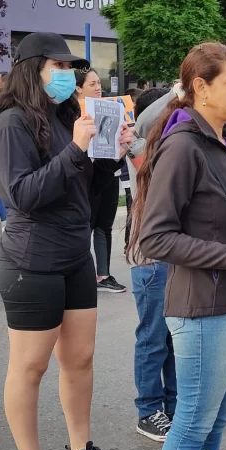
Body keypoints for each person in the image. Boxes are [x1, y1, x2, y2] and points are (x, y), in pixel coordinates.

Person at [130, 42, 226, 450]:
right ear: (201, 87)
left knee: (215, 422)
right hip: (201, 307)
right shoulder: (183, 146)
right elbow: (155, 238)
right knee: (193, 424)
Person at [0, 32, 133, 450]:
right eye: (57, 67)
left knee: (80, 358)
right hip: (32, 261)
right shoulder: (12, 122)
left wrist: (111, 156)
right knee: (30, 367)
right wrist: (77, 148)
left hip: (76, 255)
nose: (67, 76)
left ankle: (80, 449)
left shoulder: (65, 115)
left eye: (69, 68)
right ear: (32, 69)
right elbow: (22, 194)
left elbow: (84, 186)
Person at [123, 87, 178, 443]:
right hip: (152, 261)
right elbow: (147, 118)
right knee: (154, 339)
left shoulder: (175, 148)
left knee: (174, 340)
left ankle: (173, 406)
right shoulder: (142, 146)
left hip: (176, 257)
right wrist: (179, 91)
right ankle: (148, 410)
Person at [75, 69, 126, 293]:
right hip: (86, 178)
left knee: (104, 225)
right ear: (78, 88)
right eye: (92, 84)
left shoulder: (110, 108)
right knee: (85, 226)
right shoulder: (71, 115)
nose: (98, 88)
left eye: (99, 83)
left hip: (109, 173)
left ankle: (102, 275)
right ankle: (79, 272)